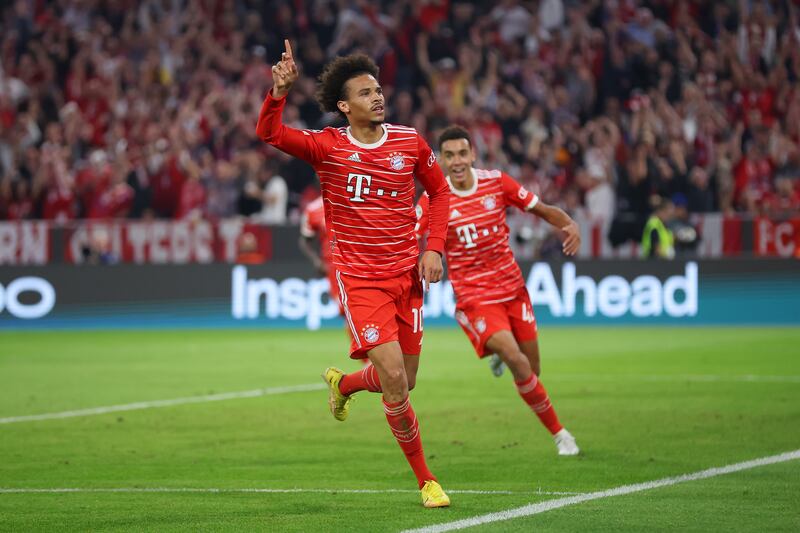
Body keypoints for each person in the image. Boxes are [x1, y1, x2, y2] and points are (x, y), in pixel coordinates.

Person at [256, 40, 451, 508]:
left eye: (378, 90)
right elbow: (271, 134)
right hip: (361, 281)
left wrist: (435, 249)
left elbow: (441, 194)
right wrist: (277, 93)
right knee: (395, 381)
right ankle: (427, 480)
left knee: (404, 378)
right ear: (344, 106)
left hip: (408, 278)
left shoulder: (409, 142)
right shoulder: (328, 146)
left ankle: (343, 384)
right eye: (365, 93)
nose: (378, 97)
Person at [416, 125, 580, 456]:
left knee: (532, 371)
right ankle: (561, 434)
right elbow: (407, 234)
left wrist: (568, 224)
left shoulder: (496, 182)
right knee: (517, 360)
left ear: (473, 154)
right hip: (476, 299)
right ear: (442, 160)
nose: (457, 161)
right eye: (449, 155)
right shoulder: (434, 198)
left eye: (462, 153)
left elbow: (540, 208)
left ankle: (497, 355)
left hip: (513, 291)